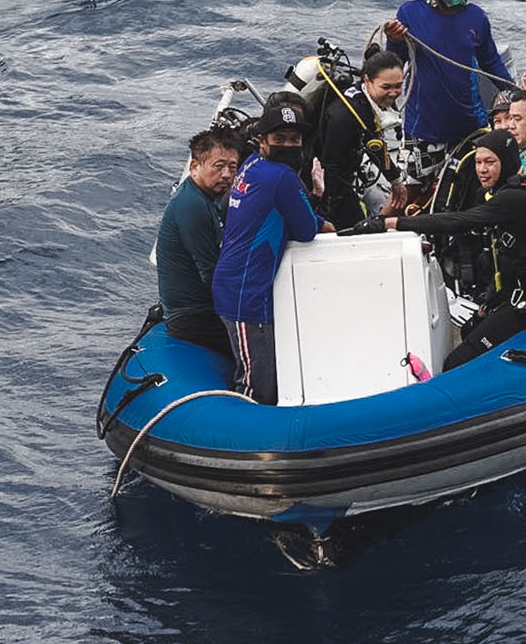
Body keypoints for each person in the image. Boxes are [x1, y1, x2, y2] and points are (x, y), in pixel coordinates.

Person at [340, 129, 526, 371]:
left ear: (507, 162)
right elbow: (510, 259)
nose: (482, 170)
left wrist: (391, 222)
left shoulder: (517, 198)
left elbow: (459, 221)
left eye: (490, 162)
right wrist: (491, 301)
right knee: (469, 330)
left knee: (457, 362)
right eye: (478, 162)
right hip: (518, 293)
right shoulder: (501, 193)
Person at [212, 97, 331, 404]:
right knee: (257, 385)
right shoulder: (281, 176)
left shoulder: (252, 164)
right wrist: (319, 210)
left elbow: (277, 211)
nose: (288, 145)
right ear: (262, 139)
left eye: (294, 139)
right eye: (280, 138)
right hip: (247, 296)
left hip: (234, 285)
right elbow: (305, 230)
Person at [383, 0, 511, 148]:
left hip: (471, 125)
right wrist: (394, 40)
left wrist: (517, 93)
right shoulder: (410, 12)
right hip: (423, 126)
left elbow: (491, 62)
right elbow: (394, 64)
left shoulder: (476, 16)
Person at [155, 127, 242, 356]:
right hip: (193, 318)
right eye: (218, 166)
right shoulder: (192, 205)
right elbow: (211, 273)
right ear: (195, 167)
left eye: (232, 167)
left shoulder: (209, 197)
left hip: (200, 310)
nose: (226, 174)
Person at [316, 49, 407, 226]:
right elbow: (330, 166)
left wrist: (395, 180)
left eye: (398, 86)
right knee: (359, 230)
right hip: (329, 182)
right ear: (367, 80)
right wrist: (326, 215)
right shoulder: (345, 115)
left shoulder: (365, 102)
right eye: (386, 87)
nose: (393, 93)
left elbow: (376, 144)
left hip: (345, 176)